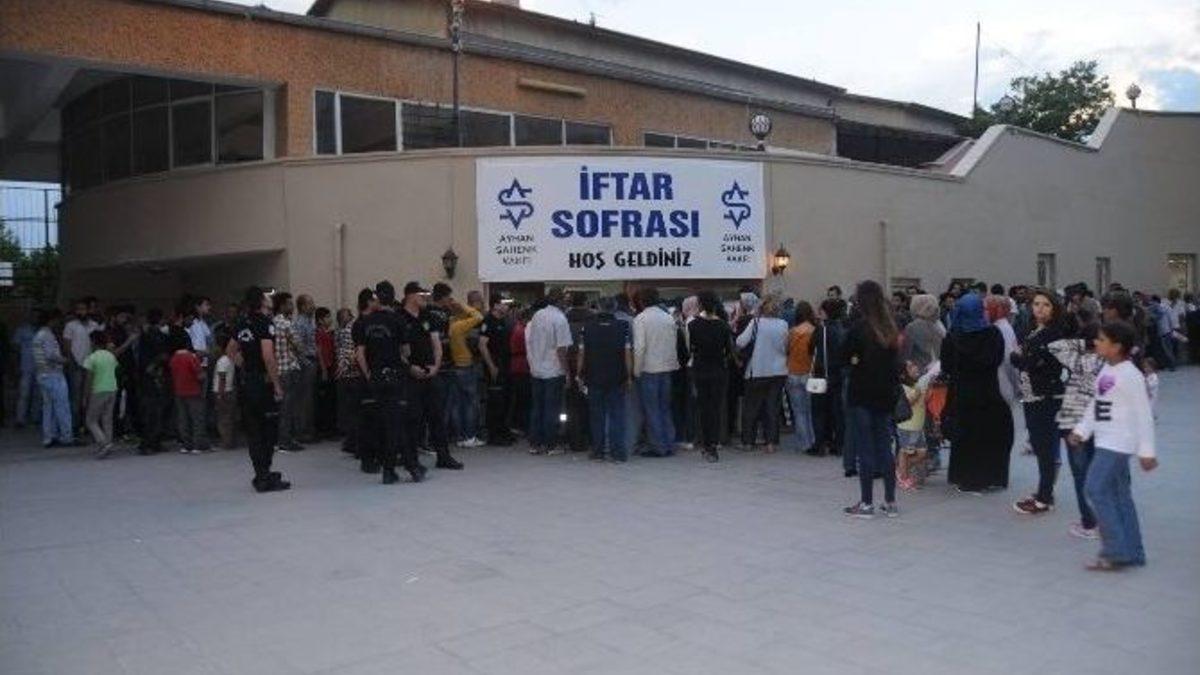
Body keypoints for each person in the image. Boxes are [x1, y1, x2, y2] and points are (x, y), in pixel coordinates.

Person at [1070, 320, 1157, 570]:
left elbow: (1144, 415)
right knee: (1119, 496)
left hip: (1118, 444)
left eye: (1101, 340)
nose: (1095, 342)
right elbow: (1097, 404)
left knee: (1095, 489)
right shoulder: (1107, 369)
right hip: (1105, 440)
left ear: (1117, 347)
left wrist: (1147, 451)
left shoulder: (1131, 376)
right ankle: (1133, 552)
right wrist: (1081, 431)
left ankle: (1116, 551)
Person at [354, 280, 426, 484]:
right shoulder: (398, 320)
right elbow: (406, 351)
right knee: (398, 423)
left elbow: (359, 353)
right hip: (395, 376)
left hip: (376, 377)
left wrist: (369, 374)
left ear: (377, 298)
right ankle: (406, 467)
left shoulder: (365, 322)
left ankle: (394, 469)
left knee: (385, 423)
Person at [841, 280, 901, 519]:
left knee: (865, 447)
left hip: (861, 394)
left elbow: (844, 357)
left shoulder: (858, 329)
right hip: (884, 394)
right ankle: (890, 501)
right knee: (884, 447)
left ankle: (866, 503)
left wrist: (854, 362)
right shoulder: (890, 328)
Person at [942, 293, 1012, 494]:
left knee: (966, 438)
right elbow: (997, 359)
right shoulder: (993, 334)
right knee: (990, 436)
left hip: (962, 395)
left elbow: (947, 367)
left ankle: (967, 478)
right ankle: (991, 477)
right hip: (989, 393)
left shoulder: (952, 338)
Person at [1011, 288, 1068, 515]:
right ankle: (1044, 491)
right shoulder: (1033, 330)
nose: (1040, 309)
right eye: (1036, 304)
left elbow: (1035, 363)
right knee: (1039, 444)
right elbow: (1025, 359)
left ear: (1054, 309)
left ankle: (1044, 498)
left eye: (1046, 305)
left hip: (1046, 396)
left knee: (1044, 448)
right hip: (1031, 394)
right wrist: (1022, 359)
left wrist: (1020, 359)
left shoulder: (1054, 334)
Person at [1049, 310, 1103, 540]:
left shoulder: (1079, 361)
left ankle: (1089, 523)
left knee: (1080, 475)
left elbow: (1055, 346)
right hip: (1098, 423)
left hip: (1074, 422)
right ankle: (1103, 519)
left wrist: (1083, 342)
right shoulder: (1106, 363)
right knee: (1096, 472)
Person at [399, 281, 463, 470]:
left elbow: (436, 343)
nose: (426, 298)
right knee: (412, 419)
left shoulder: (428, 316)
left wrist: (435, 366)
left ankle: (443, 456)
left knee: (437, 417)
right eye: (422, 295)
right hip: (410, 376)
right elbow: (397, 349)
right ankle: (411, 459)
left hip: (430, 373)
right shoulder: (399, 318)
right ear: (411, 295)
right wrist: (410, 367)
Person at [234, 286, 290, 492]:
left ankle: (261, 472)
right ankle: (264, 475)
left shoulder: (242, 323)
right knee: (268, 429)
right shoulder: (265, 323)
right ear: (261, 302)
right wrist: (276, 384)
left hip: (247, 382)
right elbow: (268, 355)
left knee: (253, 430)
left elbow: (230, 350)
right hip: (262, 383)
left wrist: (246, 365)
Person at [577, 296, 632, 462]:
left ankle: (598, 451)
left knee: (597, 416)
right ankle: (618, 453)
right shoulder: (623, 326)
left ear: (599, 308)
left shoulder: (586, 327)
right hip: (617, 376)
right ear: (614, 308)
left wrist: (579, 374)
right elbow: (627, 354)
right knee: (617, 415)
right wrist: (629, 376)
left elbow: (582, 353)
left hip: (593, 376)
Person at [735, 294, 789, 453]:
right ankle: (770, 443)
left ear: (761, 307)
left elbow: (740, 342)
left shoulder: (756, 322)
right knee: (772, 407)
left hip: (757, 369)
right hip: (778, 370)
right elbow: (786, 346)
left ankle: (748, 442)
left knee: (751, 408)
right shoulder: (783, 324)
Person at [633, 287, 680, 457]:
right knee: (665, 407)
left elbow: (639, 348)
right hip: (667, 368)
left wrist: (636, 370)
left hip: (649, 368)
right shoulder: (668, 317)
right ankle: (669, 443)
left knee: (651, 409)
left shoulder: (641, 319)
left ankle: (658, 445)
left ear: (641, 301)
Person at [525, 287, 573, 455]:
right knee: (552, 409)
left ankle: (535, 443)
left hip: (537, 368)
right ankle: (551, 444)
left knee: (537, 407)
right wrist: (567, 372)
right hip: (553, 370)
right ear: (560, 301)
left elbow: (531, 341)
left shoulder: (537, 315)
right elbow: (562, 349)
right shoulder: (560, 319)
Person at [688, 290, 733, 462]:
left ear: (700, 304)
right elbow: (729, 351)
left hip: (700, 369)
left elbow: (689, 349)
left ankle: (706, 443)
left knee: (703, 408)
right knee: (715, 408)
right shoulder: (723, 325)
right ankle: (713, 443)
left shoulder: (693, 325)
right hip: (718, 370)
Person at [811, 298, 848, 465]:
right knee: (837, 411)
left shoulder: (822, 330)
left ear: (826, 312)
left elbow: (811, 348)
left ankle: (820, 443)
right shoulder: (842, 329)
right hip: (838, 374)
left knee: (819, 410)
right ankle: (838, 444)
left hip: (821, 374)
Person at [446, 293, 485, 448]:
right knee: (470, 403)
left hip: (455, 366)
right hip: (466, 365)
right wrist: (465, 306)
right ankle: (469, 436)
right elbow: (478, 317)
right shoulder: (460, 326)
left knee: (457, 404)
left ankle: (460, 436)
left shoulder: (452, 323)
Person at [33, 309, 74, 448]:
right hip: (53, 374)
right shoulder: (47, 335)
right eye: (57, 320)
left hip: (43, 374)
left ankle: (49, 437)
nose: (59, 323)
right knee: (62, 406)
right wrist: (65, 360)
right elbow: (50, 355)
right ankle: (67, 436)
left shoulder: (38, 334)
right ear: (52, 320)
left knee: (48, 407)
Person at [478, 295, 515, 446]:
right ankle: (494, 434)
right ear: (495, 305)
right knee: (495, 400)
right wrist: (491, 366)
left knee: (505, 399)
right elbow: (482, 345)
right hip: (495, 364)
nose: (506, 307)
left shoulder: (503, 321)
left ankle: (503, 430)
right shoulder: (488, 321)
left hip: (506, 363)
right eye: (503, 304)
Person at [336, 297, 368, 457]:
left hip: (346, 374)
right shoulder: (353, 329)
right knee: (356, 410)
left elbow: (341, 352)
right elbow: (352, 353)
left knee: (350, 410)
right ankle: (354, 442)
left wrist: (341, 367)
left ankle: (350, 441)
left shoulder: (341, 331)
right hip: (354, 373)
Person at [272, 293, 304, 452]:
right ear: (282, 305)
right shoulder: (286, 323)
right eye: (290, 304)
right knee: (288, 407)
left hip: (278, 369)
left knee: (282, 406)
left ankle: (281, 438)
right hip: (289, 367)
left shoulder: (272, 323)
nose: (292, 307)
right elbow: (299, 345)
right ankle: (286, 440)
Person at [62, 299, 100, 434]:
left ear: (88, 310)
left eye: (83, 309)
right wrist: (72, 362)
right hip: (76, 365)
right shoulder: (70, 326)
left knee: (89, 396)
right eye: (78, 309)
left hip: (91, 365)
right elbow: (67, 345)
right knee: (76, 397)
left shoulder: (94, 325)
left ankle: (87, 425)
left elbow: (97, 344)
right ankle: (74, 426)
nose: (80, 312)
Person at [784, 301, 817, 454]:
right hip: (810, 373)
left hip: (793, 372)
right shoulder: (814, 331)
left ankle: (803, 443)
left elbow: (786, 349)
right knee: (811, 410)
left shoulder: (792, 332)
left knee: (798, 411)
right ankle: (813, 440)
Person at [136, 309, 171, 454]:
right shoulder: (159, 337)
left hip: (148, 377)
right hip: (156, 376)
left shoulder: (145, 336)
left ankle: (150, 442)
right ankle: (151, 442)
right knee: (155, 411)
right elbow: (164, 355)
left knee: (150, 411)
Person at [82, 330, 119, 458]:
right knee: (107, 418)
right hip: (112, 388)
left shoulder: (91, 358)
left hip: (98, 390)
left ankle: (103, 443)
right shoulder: (111, 356)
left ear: (93, 342)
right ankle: (108, 442)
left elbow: (89, 379)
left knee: (91, 420)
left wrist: (85, 396)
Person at [169, 335, 208, 453]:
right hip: (193, 391)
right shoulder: (191, 357)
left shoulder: (173, 358)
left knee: (183, 419)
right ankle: (198, 445)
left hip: (179, 391)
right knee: (197, 419)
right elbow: (200, 375)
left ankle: (186, 444)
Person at [896, 360, 930, 490]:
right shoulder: (903, 387)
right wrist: (918, 391)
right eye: (910, 367)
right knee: (905, 452)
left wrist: (927, 389)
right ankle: (904, 478)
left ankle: (901, 470)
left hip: (918, 426)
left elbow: (925, 401)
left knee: (922, 453)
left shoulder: (917, 384)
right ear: (903, 374)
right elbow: (909, 402)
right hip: (907, 426)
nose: (915, 368)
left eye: (914, 365)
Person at [292, 294, 319, 442]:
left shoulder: (310, 321)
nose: (313, 306)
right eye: (310, 303)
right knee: (304, 399)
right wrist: (306, 362)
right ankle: (302, 432)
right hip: (305, 363)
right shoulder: (300, 323)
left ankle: (309, 430)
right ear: (302, 307)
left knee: (309, 398)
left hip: (311, 360)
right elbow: (298, 346)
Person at [11, 310, 41, 429]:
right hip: (25, 366)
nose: (35, 318)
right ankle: (20, 419)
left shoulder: (43, 331)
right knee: (24, 393)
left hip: (40, 367)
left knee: (37, 394)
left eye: (37, 316)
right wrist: (16, 365)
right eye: (33, 315)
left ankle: (35, 418)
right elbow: (15, 348)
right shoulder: (22, 330)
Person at [902, 294, 944, 372]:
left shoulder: (912, 327)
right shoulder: (939, 325)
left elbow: (906, 352)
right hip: (936, 368)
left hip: (919, 369)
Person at [508, 307, 532, 438]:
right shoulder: (522, 331)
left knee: (519, 398)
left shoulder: (517, 328)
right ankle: (522, 425)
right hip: (522, 366)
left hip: (517, 365)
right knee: (524, 398)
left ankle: (518, 424)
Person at [314, 306, 338, 439]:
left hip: (331, 366)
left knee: (331, 399)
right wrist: (323, 369)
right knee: (325, 399)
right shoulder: (319, 333)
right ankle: (325, 429)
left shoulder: (328, 333)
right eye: (327, 317)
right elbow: (319, 352)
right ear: (320, 320)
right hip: (325, 367)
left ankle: (331, 427)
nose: (330, 319)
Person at [212, 329, 238, 449]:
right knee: (229, 417)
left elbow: (222, 378)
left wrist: (219, 394)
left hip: (223, 391)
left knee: (223, 418)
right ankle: (230, 440)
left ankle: (225, 441)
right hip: (230, 390)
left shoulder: (222, 361)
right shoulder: (231, 359)